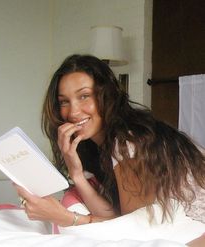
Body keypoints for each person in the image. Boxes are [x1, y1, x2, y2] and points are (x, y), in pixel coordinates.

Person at [15, 54, 205, 245]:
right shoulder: (95, 147)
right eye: (64, 101)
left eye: (84, 96)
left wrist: (66, 218)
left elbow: (133, 230)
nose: (73, 112)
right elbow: (119, 217)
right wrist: (77, 175)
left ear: (107, 95)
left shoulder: (129, 141)